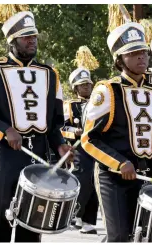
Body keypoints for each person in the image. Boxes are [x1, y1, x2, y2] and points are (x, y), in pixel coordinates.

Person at [81, 4, 152, 242]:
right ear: (120, 60)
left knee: (145, 236)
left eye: (143, 52)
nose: (141, 57)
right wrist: (119, 163)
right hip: (113, 177)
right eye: (133, 53)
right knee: (119, 237)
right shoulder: (107, 90)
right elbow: (88, 140)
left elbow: (150, 143)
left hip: (146, 174)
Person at [0, 4, 73, 242]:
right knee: (1, 214)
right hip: (5, 152)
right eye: (25, 37)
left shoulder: (50, 74)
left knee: (33, 217)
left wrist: (59, 146)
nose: (32, 41)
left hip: (37, 151)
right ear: (12, 41)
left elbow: (54, 121)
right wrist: (6, 130)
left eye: (33, 36)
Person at [62, 46, 99, 234]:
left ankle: (89, 221)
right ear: (75, 87)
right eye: (83, 85)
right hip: (79, 149)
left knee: (95, 183)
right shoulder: (69, 105)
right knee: (81, 181)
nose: (87, 87)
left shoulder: (97, 104)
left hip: (96, 149)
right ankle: (72, 214)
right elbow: (61, 128)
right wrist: (73, 132)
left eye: (89, 84)